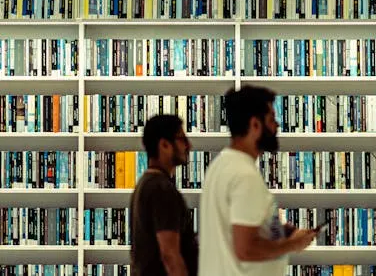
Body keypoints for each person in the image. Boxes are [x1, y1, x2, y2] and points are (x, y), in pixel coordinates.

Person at [198, 85, 318, 275]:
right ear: (255, 125)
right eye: (271, 119)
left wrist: (285, 231)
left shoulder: (219, 166)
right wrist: (292, 244)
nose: (276, 125)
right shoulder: (245, 176)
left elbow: (238, 226)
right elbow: (246, 249)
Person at [130, 114, 198, 276]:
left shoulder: (145, 184)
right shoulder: (162, 189)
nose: (189, 146)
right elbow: (170, 255)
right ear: (164, 145)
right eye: (182, 139)